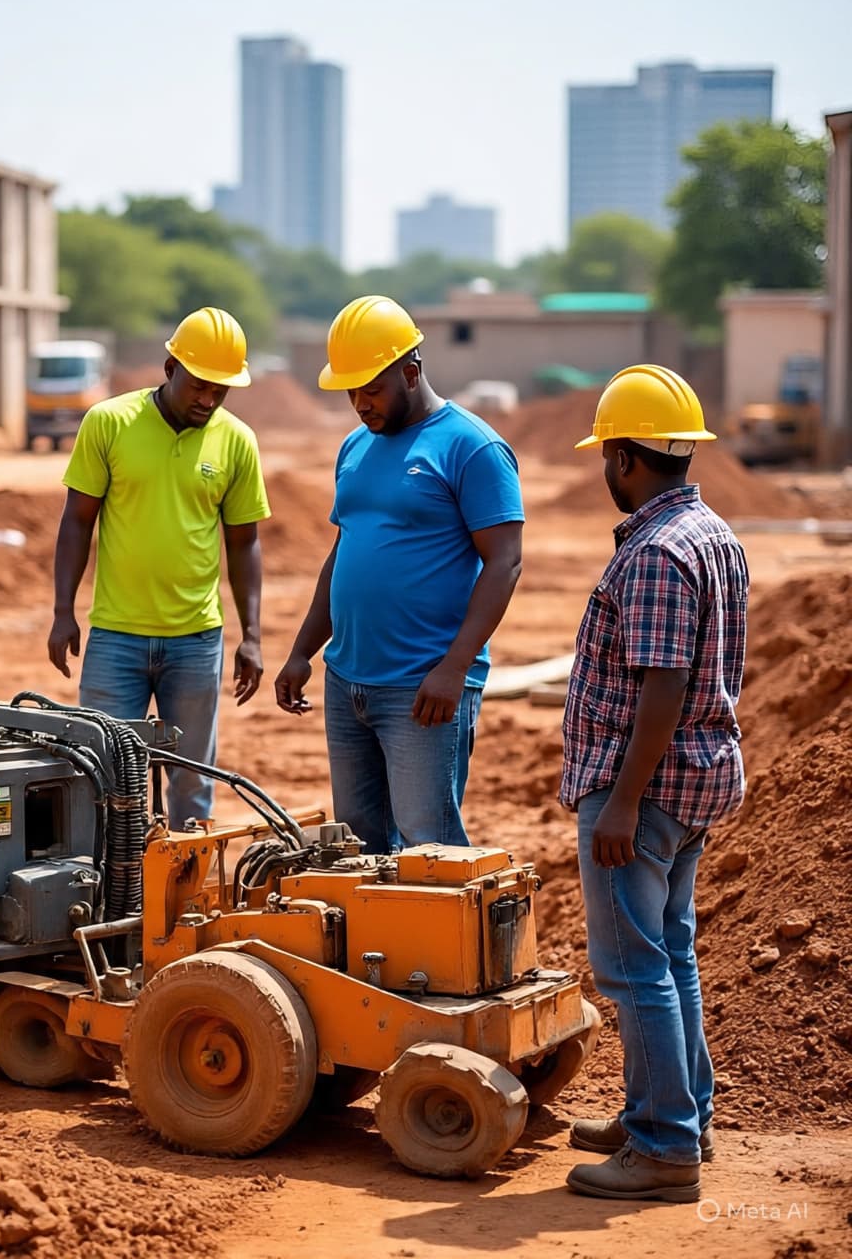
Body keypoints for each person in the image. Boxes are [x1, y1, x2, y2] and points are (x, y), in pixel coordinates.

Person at [560, 365, 748, 1202]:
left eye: (607, 454)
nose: (604, 469)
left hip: (648, 787)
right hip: (697, 781)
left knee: (633, 966)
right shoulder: (713, 534)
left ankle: (664, 1147)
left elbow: (663, 685)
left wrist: (624, 803)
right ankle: (674, 1115)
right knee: (669, 954)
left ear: (628, 459)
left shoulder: (657, 553)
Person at [273, 296, 523, 852]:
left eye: (372, 388)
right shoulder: (355, 447)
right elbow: (343, 555)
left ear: (411, 372)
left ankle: (442, 945)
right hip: (347, 684)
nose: (360, 404)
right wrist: (302, 652)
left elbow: (505, 561)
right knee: (358, 850)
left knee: (429, 848)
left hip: (421, 687)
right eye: (350, 391)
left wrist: (454, 667)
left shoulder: (471, 446)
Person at [47, 308, 270, 827]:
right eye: (199, 386)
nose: (208, 400)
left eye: (221, 391)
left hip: (196, 642)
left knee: (192, 780)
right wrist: (63, 611)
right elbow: (78, 522)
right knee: (103, 776)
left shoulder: (236, 441)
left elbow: (244, 543)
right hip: (115, 638)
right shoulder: (109, 423)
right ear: (170, 367)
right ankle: (108, 895)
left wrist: (253, 634)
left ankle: (185, 900)